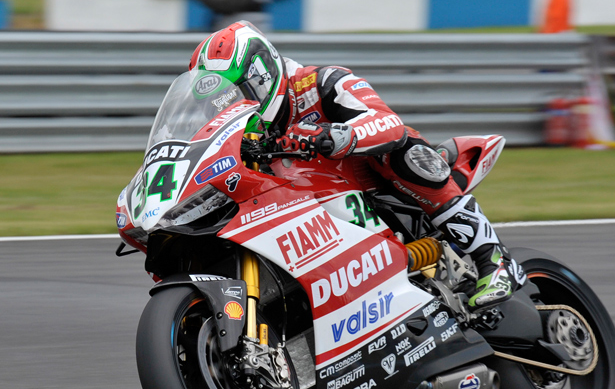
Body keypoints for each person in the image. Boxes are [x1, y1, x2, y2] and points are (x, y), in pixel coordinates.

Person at [188, 22, 523, 309]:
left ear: (262, 75)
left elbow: (387, 123)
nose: (231, 105)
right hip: (299, 212)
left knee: (401, 147)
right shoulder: (243, 135)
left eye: (238, 93)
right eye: (221, 100)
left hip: (367, 186)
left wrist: (333, 136)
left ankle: (493, 259)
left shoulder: (320, 82)